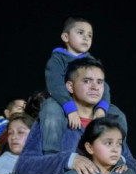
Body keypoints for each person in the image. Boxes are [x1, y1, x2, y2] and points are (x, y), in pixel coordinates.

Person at [40, 16, 123, 154]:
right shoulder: (57, 59)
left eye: (89, 35)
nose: (86, 38)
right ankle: (51, 154)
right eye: (80, 33)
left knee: (117, 114)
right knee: (50, 109)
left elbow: (105, 87)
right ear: (66, 37)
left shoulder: (91, 61)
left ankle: (120, 154)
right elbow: (55, 85)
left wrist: (102, 108)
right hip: (63, 101)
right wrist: (70, 109)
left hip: (88, 101)